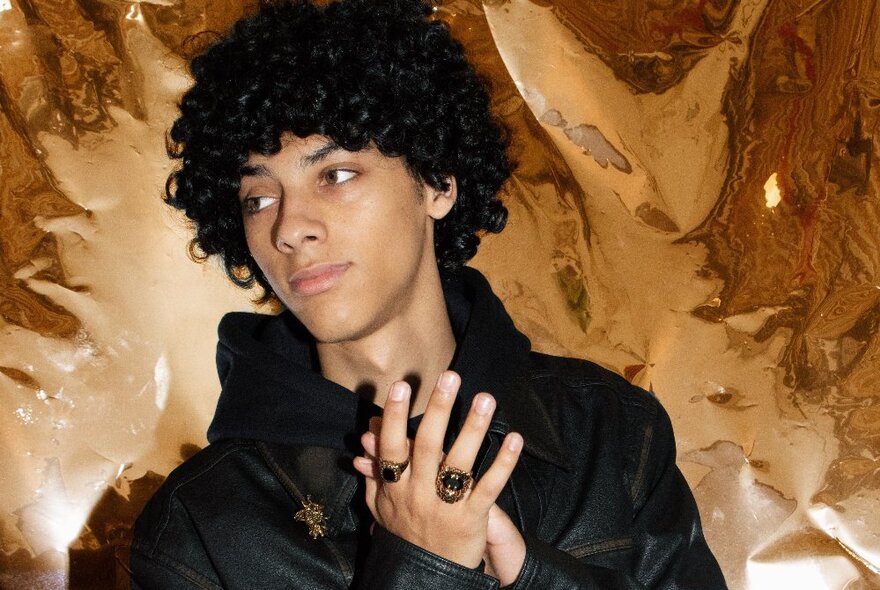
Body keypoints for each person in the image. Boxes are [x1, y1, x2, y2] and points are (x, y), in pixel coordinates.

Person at [130, 0, 727, 588]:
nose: (289, 229)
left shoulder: (609, 433)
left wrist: (532, 578)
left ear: (437, 183)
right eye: (257, 199)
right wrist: (421, 567)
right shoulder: (202, 525)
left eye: (334, 176)